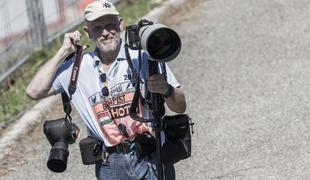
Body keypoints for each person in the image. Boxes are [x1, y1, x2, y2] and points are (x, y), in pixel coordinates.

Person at [26, 0, 186, 179]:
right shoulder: (77, 66)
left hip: (150, 153)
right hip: (110, 163)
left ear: (120, 24)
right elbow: (34, 91)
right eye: (97, 28)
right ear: (88, 33)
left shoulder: (144, 56)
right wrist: (63, 51)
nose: (105, 32)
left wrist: (167, 90)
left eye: (110, 25)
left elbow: (180, 106)